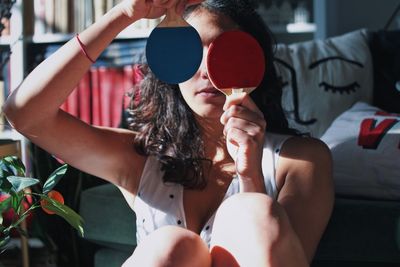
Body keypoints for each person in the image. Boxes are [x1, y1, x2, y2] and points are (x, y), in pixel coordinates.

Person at [3, 0, 334, 266]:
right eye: (190, 51)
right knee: (172, 244)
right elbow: (24, 114)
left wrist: (250, 175)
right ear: (168, 70)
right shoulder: (139, 158)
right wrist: (123, 14)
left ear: (254, 63)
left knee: (251, 211)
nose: (206, 70)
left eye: (222, 52)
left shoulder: (302, 159)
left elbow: (290, 256)